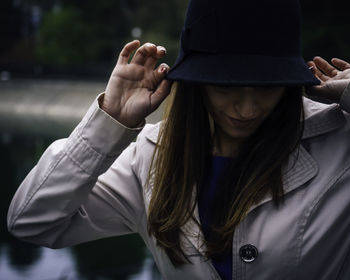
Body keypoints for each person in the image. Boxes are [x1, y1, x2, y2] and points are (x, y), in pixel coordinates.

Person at [7, 0, 350, 279]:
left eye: (267, 88)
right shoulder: (149, 158)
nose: (247, 109)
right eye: (225, 86)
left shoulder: (339, 140)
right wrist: (109, 122)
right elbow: (32, 221)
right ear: (195, 85)